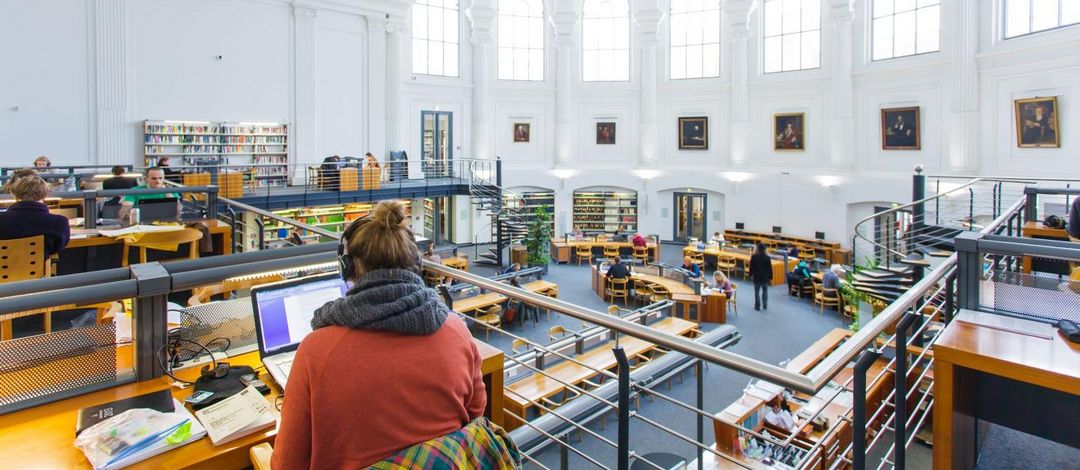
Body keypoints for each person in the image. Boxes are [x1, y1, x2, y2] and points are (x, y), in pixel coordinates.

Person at [273, 201, 489, 468]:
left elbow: (286, 464)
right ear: (415, 262)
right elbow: (475, 413)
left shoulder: (316, 351)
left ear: (348, 268)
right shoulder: (455, 330)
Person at [0, 174, 70, 257]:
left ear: (15, 195)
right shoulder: (59, 222)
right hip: (39, 269)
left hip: (4, 268)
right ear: (44, 196)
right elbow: (58, 248)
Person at [749, 242, 772, 311]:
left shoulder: (754, 256)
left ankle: (757, 306)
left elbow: (751, 267)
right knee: (765, 291)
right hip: (765, 277)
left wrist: (750, 274)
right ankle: (765, 304)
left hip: (756, 277)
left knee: (756, 292)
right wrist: (770, 277)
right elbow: (769, 268)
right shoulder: (768, 257)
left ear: (757, 249)